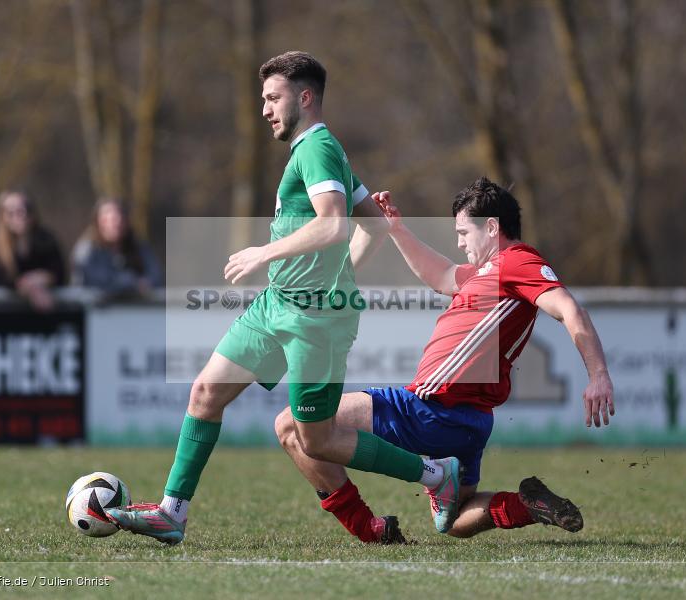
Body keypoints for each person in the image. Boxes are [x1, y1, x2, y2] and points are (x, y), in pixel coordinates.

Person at [106, 51, 463, 545]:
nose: (266, 109)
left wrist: (263, 252)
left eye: (273, 98)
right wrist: (337, 276)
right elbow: (374, 224)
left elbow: (334, 223)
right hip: (277, 304)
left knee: (316, 439)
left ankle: (436, 475)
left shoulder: (317, 148)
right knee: (206, 394)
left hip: (313, 321)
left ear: (305, 96)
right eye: (263, 99)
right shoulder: (315, 150)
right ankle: (173, 512)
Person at [274, 177, 616, 542]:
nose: (459, 242)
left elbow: (567, 308)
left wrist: (598, 374)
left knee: (292, 425)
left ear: (492, 227)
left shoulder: (519, 262)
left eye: (464, 232)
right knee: (453, 523)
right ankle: (524, 506)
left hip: (431, 408)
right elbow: (440, 276)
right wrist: (397, 230)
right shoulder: (488, 271)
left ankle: (375, 522)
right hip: (469, 421)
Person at [0, 189, 66, 311]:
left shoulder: (46, 240)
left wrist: (45, 278)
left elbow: (60, 272)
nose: (20, 215)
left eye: (24, 210)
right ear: (2, 216)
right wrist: (30, 288)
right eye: (12, 212)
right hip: (1, 316)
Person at [71, 198, 163, 297]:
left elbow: (156, 275)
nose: (116, 224)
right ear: (98, 222)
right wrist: (132, 283)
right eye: (110, 219)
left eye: (120, 219)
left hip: (136, 310)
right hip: (96, 309)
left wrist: (146, 283)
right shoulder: (86, 250)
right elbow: (96, 281)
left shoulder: (138, 247)